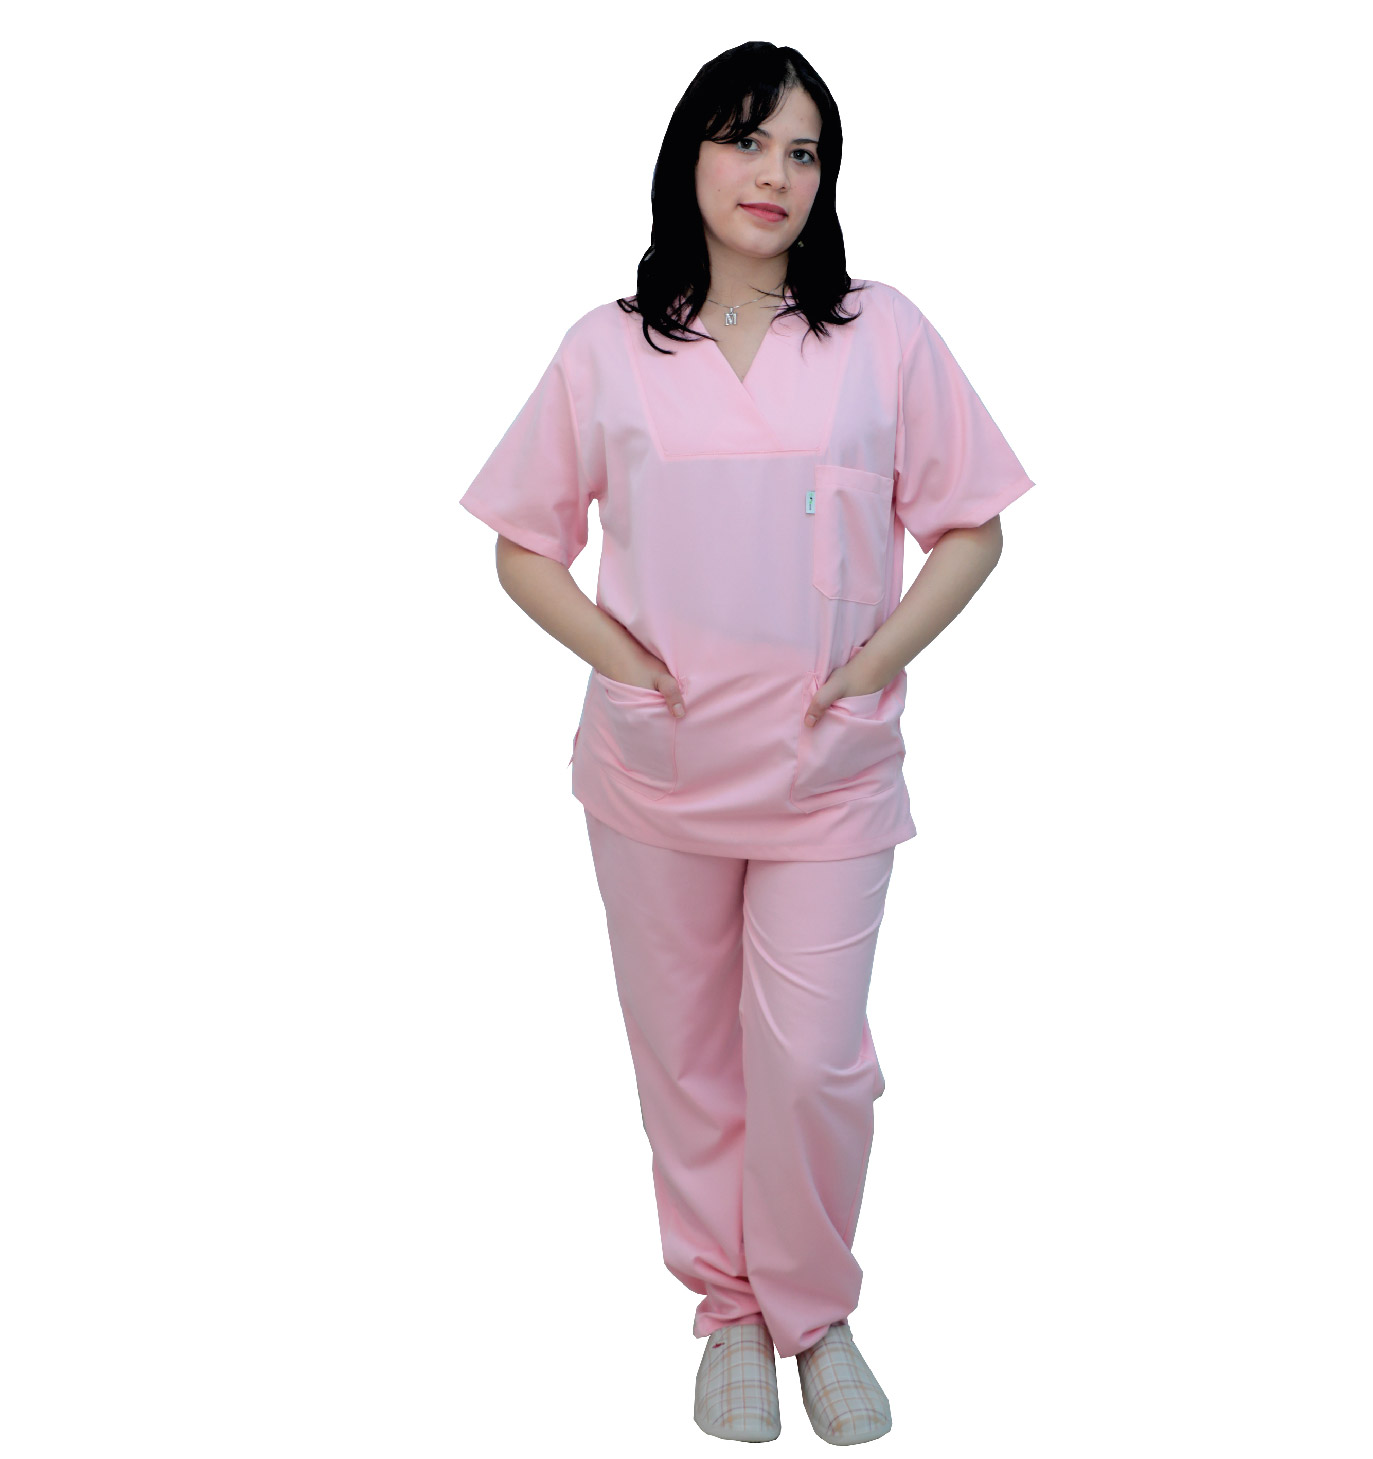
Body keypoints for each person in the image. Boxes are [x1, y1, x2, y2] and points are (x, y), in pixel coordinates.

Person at [459, 41, 1036, 1446]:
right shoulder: (609, 347)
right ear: (690, 158)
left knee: (815, 1061)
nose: (774, 173)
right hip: (655, 774)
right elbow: (523, 544)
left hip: (827, 774)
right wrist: (626, 665)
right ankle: (727, 1312)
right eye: (744, 139)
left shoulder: (880, 334)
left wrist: (872, 669)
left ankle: (815, 1312)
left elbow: (972, 527)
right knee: (688, 1059)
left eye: (803, 150)